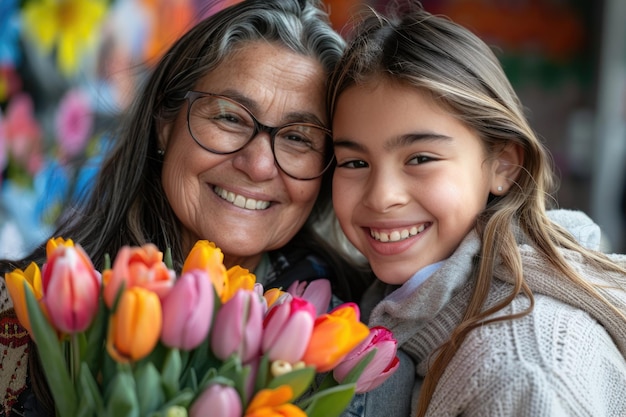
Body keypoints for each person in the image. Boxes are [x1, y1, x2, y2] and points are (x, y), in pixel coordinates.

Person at [0, 0, 372, 415]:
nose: (259, 164)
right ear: (165, 121)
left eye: (299, 138)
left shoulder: (349, 346)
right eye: (230, 117)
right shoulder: (20, 312)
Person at [328, 2, 626, 416]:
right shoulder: (392, 307)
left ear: (502, 164)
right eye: (354, 163)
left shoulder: (521, 371)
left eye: (420, 158)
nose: (382, 196)